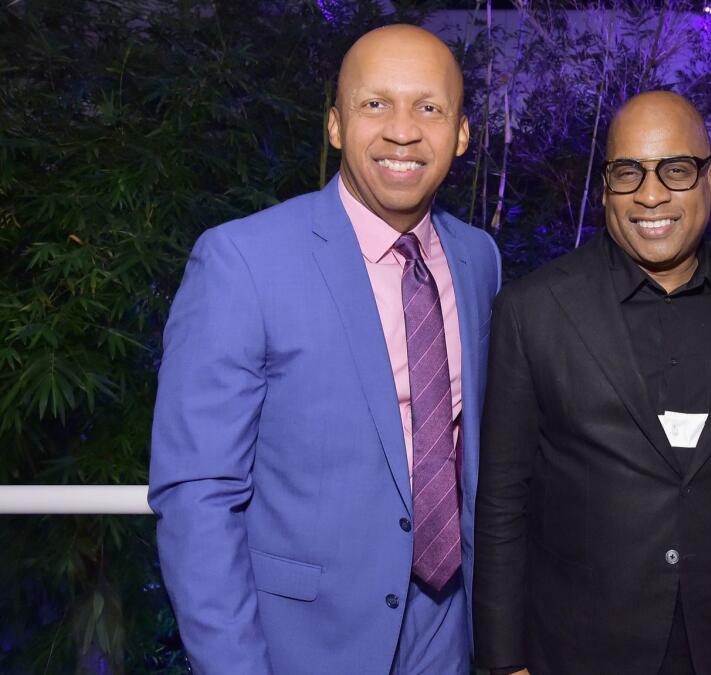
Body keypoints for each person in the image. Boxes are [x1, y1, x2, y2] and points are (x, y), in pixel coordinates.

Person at [149, 25, 501, 674]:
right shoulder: (242, 261)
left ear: (461, 134)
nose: (402, 130)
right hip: (304, 645)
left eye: (429, 107)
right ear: (335, 125)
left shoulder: (479, 260)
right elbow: (198, 495)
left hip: (451, 637)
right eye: (375, 104)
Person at [472, 91, 711, 674]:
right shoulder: (534, 309)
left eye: (675, 169)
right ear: (606, 186)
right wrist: (502, 659)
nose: (650, 193)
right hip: (575, 649)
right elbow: (502, 502)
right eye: (627, 172)